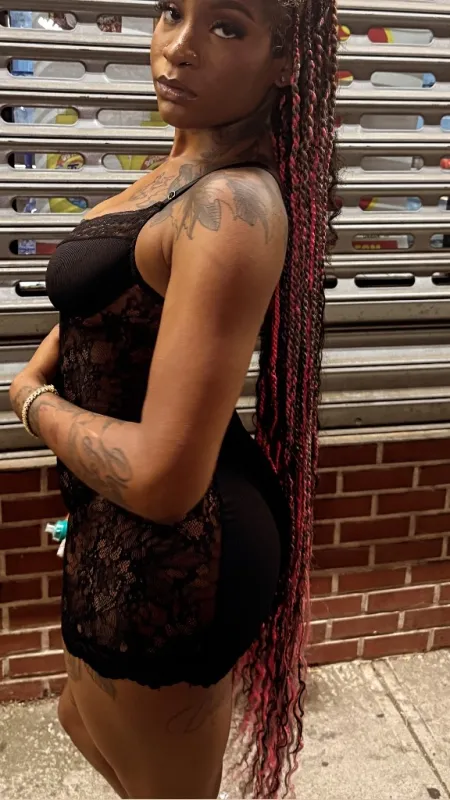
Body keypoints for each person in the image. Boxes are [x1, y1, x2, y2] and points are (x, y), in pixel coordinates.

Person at [10, 0, 339, 796]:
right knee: (80, 720)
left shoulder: (234, 208)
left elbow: (163, 478)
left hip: (178, 553)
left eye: (226, 27)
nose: (179, 47)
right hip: (115, 525)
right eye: (171, 12)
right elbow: (107, 298)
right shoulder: (184, 165)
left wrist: (28, 400)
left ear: (285, 61)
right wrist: (52, 359)